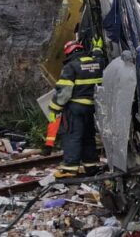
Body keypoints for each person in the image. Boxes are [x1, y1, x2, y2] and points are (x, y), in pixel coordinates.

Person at [49, 40, 103, 178]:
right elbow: (99, 58)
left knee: (72, 136)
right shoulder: (97, 63)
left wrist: (55, 108)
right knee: (88, 136)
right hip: (91, 108)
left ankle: (69, 168)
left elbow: (64, 92)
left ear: (69, 52)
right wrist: (97, 48)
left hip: (75, 109)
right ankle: (91, 165)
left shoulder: (71, 67)